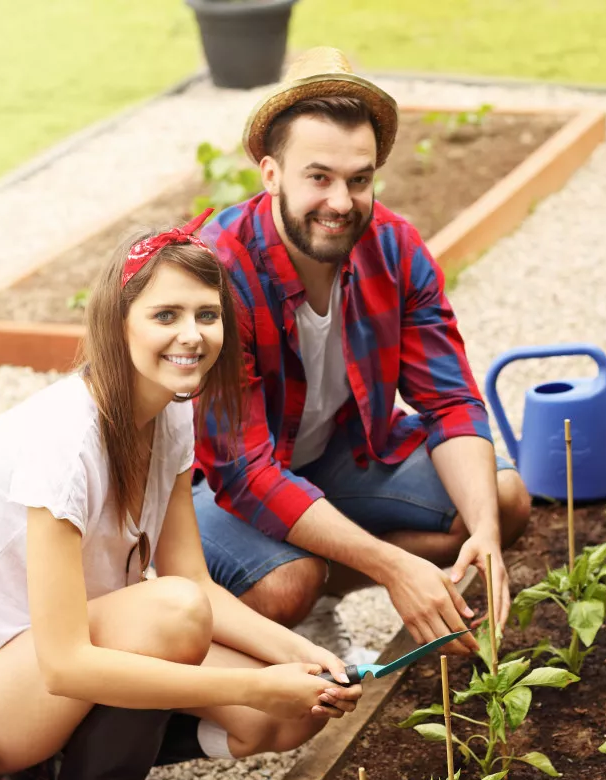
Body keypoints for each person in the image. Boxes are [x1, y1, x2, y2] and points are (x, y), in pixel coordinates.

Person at [0, 210, 361, 780]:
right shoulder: (64, 439)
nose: (191, 334)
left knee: (293, 713)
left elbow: (197, 580)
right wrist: (253, 686)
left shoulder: (171, 411)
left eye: (206, 315)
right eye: (166, 314)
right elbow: (65, 664)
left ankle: (79, 758)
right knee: (172, 615)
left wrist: (304, 655)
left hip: (58, 651)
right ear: (119, 325)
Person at [190, 46, 532, 660]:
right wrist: (395, 567)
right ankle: (256, 614)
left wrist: (482, 532)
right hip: (209, 483)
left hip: (333, 454)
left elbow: (449, 400)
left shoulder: (394, 248)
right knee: (285, 581)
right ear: (271, 175)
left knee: (500, 501)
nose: (341, 202)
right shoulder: (217, 271)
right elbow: (244, 473)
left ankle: (325, 588)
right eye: (317, 177)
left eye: (359, 178)